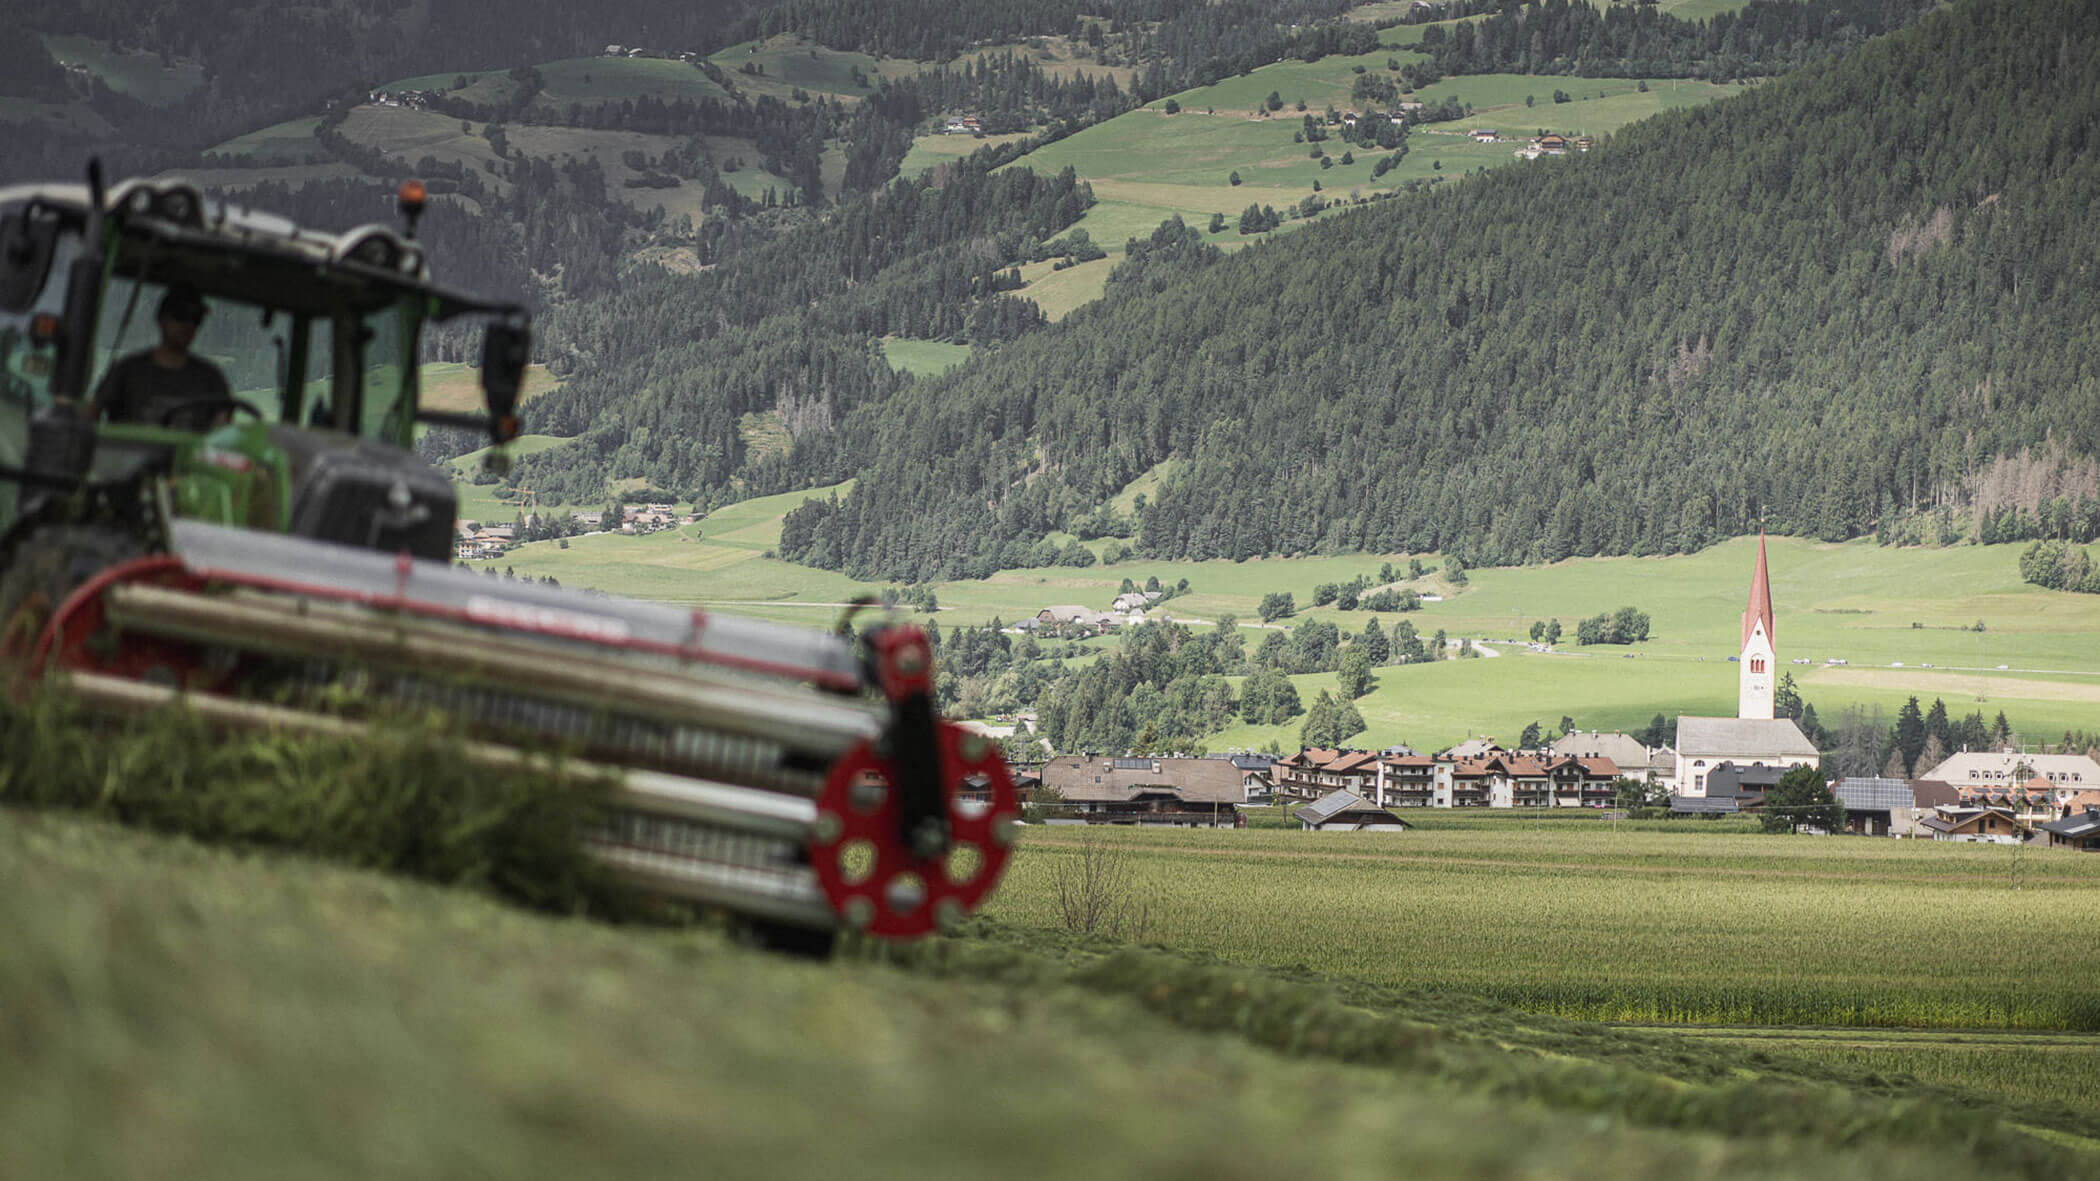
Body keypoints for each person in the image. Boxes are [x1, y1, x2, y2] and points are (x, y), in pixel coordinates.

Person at [90, 285, 232, 430]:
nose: (188, 325)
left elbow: (223, 427)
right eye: (180, 316)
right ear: (161, 319)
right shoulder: (127, 370)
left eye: (196, 319)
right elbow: (90, 415)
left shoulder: (211, 378)